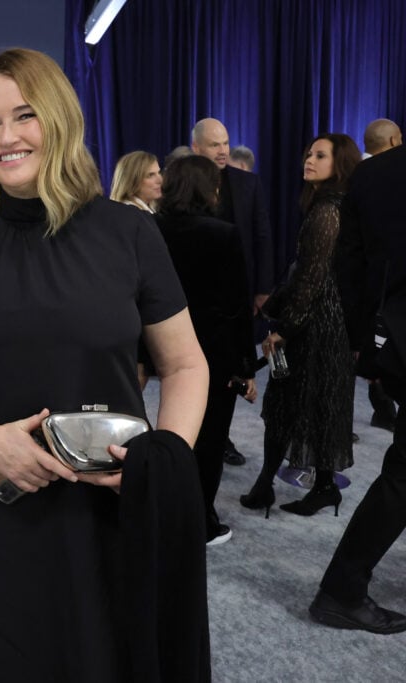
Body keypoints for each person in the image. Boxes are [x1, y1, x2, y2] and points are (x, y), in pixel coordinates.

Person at [0, 48, 210, 681]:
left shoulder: (131, 233)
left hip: (107, 507)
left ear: (62, 119)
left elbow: (185, 367)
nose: (6, 137)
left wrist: (159, 463)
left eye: (25, 115)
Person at [308, 142, 406, 634]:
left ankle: (342, 589)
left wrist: (363, 345)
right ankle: (341, 589)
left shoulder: (372, 175)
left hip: (391, 342)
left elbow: (350, 270)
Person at [240, 133, 360, 517]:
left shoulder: (327, 212)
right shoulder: (328, 205)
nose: (309, 159)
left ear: (338, 163)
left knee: (290, 405)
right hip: (323, 322)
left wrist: (283, 329)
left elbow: (310, 279)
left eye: (320, 155)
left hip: (316, 326)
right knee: (315, 405)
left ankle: (271, 485)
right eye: (308, 153)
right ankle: (317, 486)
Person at [155, 155, 258, 545]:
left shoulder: (151, 228)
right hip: (211, 353)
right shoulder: (223, 233)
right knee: (210, 438)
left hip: (157, 346)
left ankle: (165, 512)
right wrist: (246, 367)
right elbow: (237, 306)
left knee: (167, 435)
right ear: (208, 188)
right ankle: (201, 522)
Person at [192, 118, 274, 466]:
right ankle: (197, 435)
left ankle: (220, 437)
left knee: (230, 367)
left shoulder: (247, 183)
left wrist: (262, 289)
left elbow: (262, 237)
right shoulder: (185, 182)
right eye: (214, 144)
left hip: (237, 293)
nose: (223, 150)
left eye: (225, 143)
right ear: (197, 148)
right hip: (195, 294)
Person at [358, 118, 401, 430]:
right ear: (394, 141)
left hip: (367, 280)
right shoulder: (392, 174)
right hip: (389, 283)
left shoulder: (357, 175)